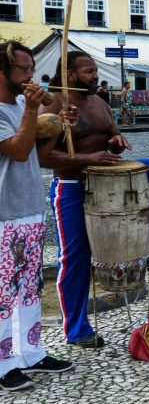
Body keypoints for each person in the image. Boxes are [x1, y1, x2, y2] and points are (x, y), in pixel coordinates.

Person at [39, 52, 149, 349]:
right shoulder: (53, 103)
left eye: (95, 69)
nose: (95, 75)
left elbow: (114, 138)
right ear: (70, 74)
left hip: (109, 177)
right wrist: (88, 157)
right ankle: (76, 329)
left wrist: (116, 142)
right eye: (88, 71)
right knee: (74, 259)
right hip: (74, 185)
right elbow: (43, 158)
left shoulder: (99, 101)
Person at [0, 41, 75, 391]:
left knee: (29, 287)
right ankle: (3, 364)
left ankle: (31, 351)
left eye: (31, 68)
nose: (31, 75)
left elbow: (36, 156)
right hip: (3, 213)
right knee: (3, 292)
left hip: (29, 207)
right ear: (3, 72)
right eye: (23, 69)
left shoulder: (19, 103)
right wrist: (33, 110)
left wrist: (58, 124)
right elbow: (15, 151)